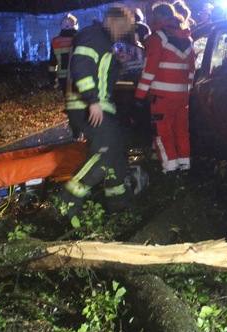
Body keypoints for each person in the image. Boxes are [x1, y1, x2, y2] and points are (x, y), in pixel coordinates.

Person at [55, 5, 136, 219]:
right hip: (85, 105)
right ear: (110, 20)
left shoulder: (107, 41)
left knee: (116, 151)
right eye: (121, 26)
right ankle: (65, 204)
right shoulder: (93, 35)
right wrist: (92, 100)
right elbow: (81, 66)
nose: (123, 32)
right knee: (105, 150)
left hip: (100, 106)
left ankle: (119, 205)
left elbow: (110, 68)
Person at [134, 2, 195, 178]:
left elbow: (149, 71)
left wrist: (139, 96)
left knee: (162, 133)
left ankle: (170, 169)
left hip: (161, 97)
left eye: (153, 16)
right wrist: (186, 93)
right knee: (182, 131)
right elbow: (191, 71)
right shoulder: (187, 38)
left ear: (159, 16)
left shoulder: (157, 38)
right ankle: (185, 166)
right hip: (182, 97)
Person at [48, 14, 78, 93]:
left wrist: (52, 79)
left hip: (62, 78)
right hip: (77, 76)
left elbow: (52, 62)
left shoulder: (55, 41)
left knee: (67, 99)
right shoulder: (79, 39)